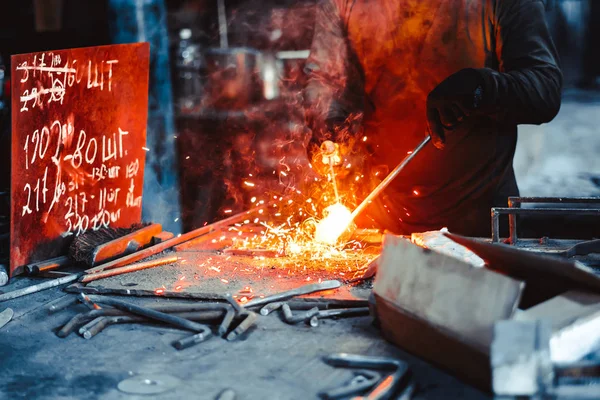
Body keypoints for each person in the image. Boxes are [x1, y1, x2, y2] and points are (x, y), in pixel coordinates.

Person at [304, 0, 562, 237]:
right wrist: (327, 122)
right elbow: (324, 80)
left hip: (479, 224)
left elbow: (545, 90)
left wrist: (483, 86)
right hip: (378, 221)